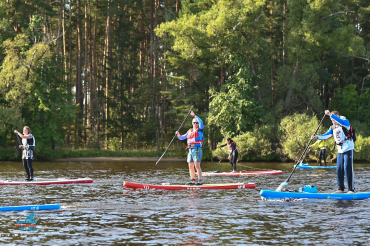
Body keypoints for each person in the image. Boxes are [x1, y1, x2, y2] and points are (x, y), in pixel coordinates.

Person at [311, 110, 355, 193]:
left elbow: (341, 122)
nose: (332, 121)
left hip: (348, 148)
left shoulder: (345, 122)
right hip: (340, 150)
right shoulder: (333, 127)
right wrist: (316, 137)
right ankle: (341, 188)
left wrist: (330, 114)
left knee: (347, 168)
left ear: (337, 116)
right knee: (339, 168)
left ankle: (351, 189)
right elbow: (326, 135)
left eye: (333, 119)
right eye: (331, 120)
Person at [176, 110, 204, 185]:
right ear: (192, 123)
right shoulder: (190, 130)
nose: (196, 124)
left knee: (197, 165)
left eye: (196, 122)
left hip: (197, 149)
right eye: (194, 122)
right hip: (190, 149)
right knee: (190, 165)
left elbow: (201, 122)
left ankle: (200, 181)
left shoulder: (200, 130)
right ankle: (192, 180)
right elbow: (182, 138)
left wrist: (195, 116)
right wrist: (178, 135)